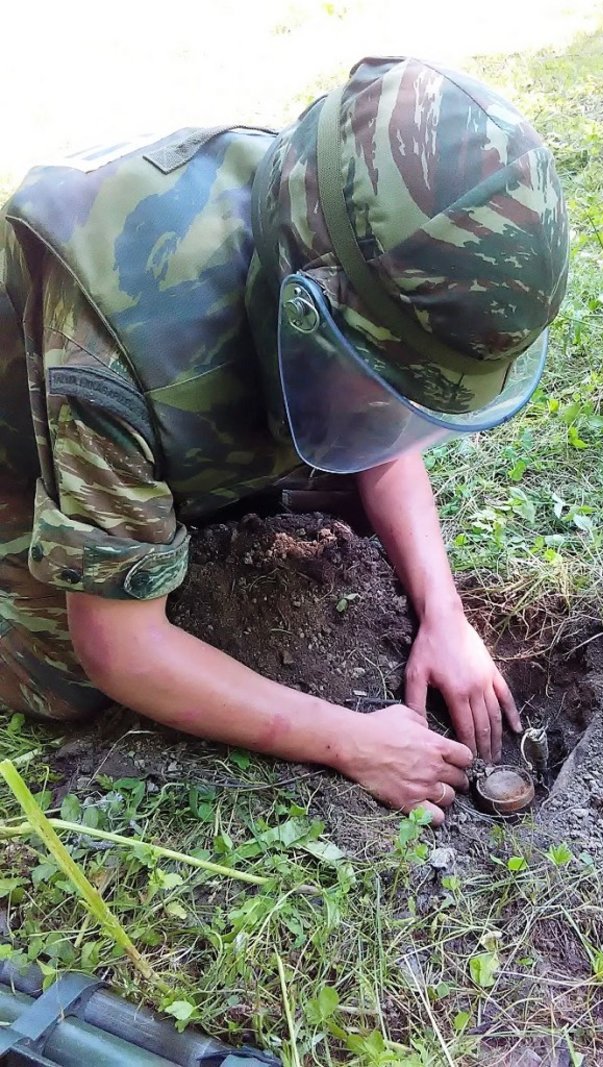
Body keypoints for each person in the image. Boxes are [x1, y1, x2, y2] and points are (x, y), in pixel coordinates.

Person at [0, 56, 569, 824]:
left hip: (166, 394)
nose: (390, 412)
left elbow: (383, 431)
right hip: (24, 448)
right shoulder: (113, 342)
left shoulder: (350, 229)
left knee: (337, 459)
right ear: (304, 307)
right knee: (63, 672)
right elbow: (117, 645)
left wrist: (446, 614)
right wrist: (347, 739)